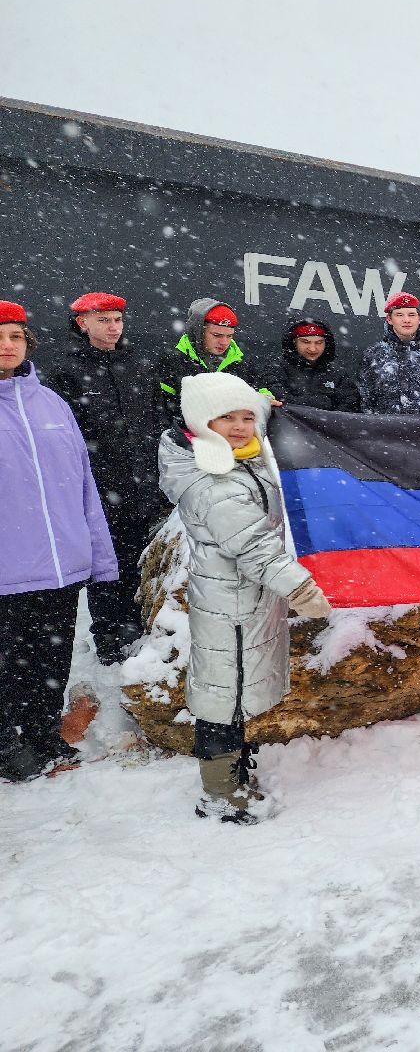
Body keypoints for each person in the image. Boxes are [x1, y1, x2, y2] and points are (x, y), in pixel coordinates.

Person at [158, 372, 332, 824]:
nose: (240, 426)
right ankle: (219, 792)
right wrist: (299, 588)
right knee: (223, 696)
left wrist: (272, 411)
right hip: (229, 606)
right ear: (200, 422)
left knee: (234, 691)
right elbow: (253, 544)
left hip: (245, 602)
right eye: (226, 418)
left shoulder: (237, 458)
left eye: (246, 417)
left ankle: (233, 769)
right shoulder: (211, 480)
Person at [0, 300, 118, 781]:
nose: (7, 346)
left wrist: (97, 553)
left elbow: (84, 484)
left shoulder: (52, 404)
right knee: (8, 663)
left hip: (59, 565)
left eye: (15, 336)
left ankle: (42, 733)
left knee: (49, 657)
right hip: (8, 566)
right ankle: (7, 746)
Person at [46, 291, 168, 664]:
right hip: (99, 489)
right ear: (83, 323)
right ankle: (108, 641)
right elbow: (62, 437)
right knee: (105, 568)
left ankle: (137, 631)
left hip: (142, 486)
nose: (113, 327)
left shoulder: (140, 365)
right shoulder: (66, 371)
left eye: (117, 320)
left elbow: (157, 416)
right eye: (104, 320)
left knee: (138, 561)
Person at [156, 298, 272, 421]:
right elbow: (161, 412)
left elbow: (261, 393)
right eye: (217, 335)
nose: (224, 342)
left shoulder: (240, 363)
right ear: (198, 331)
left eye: (229, 336)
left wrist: (266, 400)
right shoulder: (173, 362)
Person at [357, 291, 420, 414]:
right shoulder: (374, 354)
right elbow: (365, 400)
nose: (406, 320)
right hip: (384, 429)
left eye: (411, 315)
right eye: (399, 315)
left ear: (419, 318)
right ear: (389, 319)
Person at [270, 317, 361, 412]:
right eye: (305, 342)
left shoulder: (338, 374)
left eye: (319, 342)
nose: (313, 349)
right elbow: (278, 400)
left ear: (326, 343)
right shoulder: (276, 369)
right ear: (294, 342)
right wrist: (323, 402)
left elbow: (351, 408)